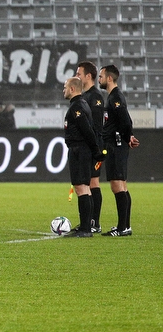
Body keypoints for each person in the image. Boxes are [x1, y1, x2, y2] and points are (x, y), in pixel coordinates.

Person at [99, 64, 139, 236]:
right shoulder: (114, 97)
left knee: (117, 186)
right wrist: (129, 136)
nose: (98, 79)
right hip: (118, 144)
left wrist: (128, 135)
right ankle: (125, 226)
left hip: (116, 145)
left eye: (100, 76)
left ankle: (123, 227)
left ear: (109, 78)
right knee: (121, 185)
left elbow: (125, 120)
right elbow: (126, 118)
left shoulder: (115, 98)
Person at [61, 76, 100, 239]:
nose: (63, 90)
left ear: (72, 89)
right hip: (82, 150)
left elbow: (87, 130)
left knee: (81, 188)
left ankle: (85, 229)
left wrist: (95, 150)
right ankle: (86, 226)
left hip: (80, 150)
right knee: (84, 188)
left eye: (65, 87)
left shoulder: (77, 106)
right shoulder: (81, 104)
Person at [76, 61, 105, 232]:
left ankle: (94, 222)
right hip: (86, 147)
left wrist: (96, 148)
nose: (77, 76)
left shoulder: (95, 97)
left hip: (94, 147)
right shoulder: (83, 96)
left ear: (88, 76)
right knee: (86, 183)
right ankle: (87, 222)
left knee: (93, 182)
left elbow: (96, 126)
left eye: (79, 73)